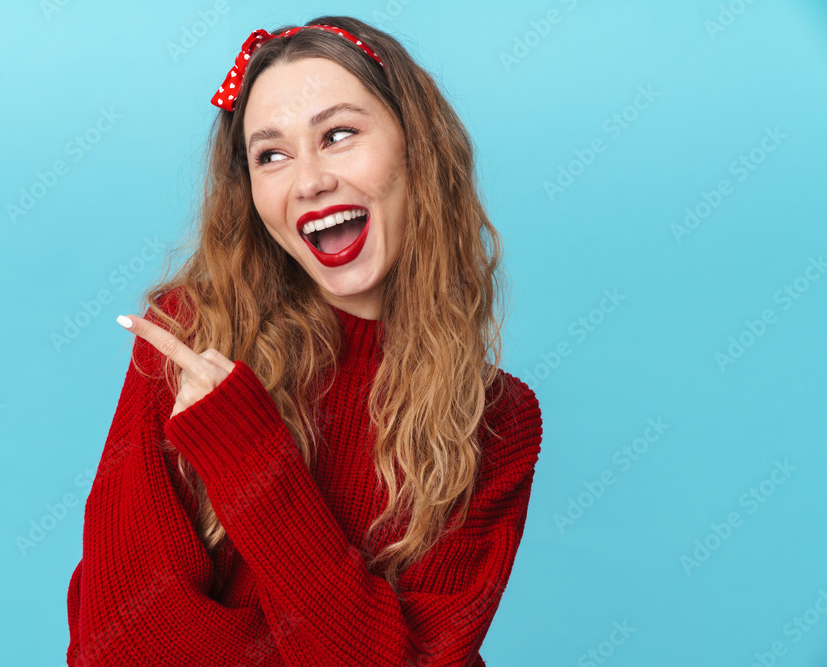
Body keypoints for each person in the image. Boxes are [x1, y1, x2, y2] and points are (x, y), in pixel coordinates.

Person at [66, 15, 542, 667]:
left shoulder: (498, 420)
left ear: (416, 146)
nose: (309, 179)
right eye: (271, 154)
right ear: (253, 190)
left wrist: (250, 453)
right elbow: (122, 643)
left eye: (338, 134)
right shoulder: (191, 337)